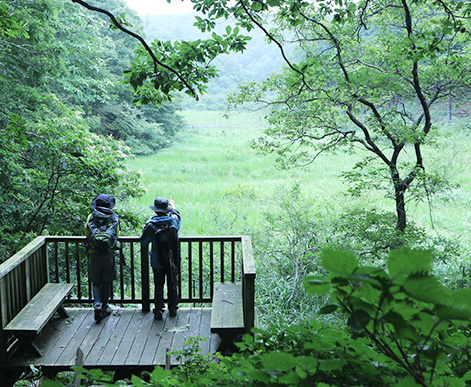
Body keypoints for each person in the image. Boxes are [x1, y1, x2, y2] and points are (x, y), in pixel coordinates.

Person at [140, 197, 181, 320]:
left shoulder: (151, 225)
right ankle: (173, 308)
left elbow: (143, 242)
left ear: (155, 210)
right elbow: (177, 216)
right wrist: (173, 206)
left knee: (159, 284)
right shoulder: (173, 222)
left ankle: (158, 310)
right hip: (172, 259)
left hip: (157, 261)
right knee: (172, 283)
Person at [84, 194, 120, 323]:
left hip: (93, 253)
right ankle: (105, 307)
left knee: (96, 281)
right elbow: (117, 233)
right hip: (108, 253)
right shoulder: (113, 217)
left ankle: (97, 303)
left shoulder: (91, 217)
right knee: (106, 281)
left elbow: (86, 232)